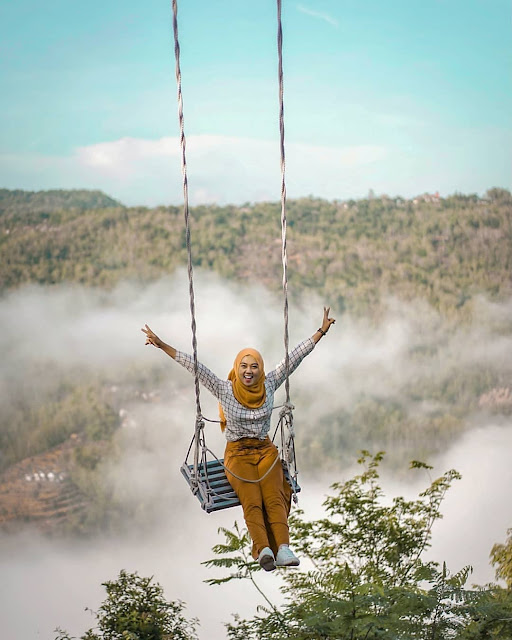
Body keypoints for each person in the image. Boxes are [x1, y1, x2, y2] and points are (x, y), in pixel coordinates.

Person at [141, 307, 335, 571]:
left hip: (265, 450)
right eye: (244, 366)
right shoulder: (224, 389)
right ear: (237, 367)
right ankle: (264, 549)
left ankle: (284, 548)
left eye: (254, 366)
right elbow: (194, 366)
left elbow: (295, 357)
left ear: (260, 369)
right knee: (251, 497)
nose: (249, 371)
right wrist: (162, 345)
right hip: (237, 453)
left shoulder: (269, 384)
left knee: (275, 496)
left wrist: (321, 331)